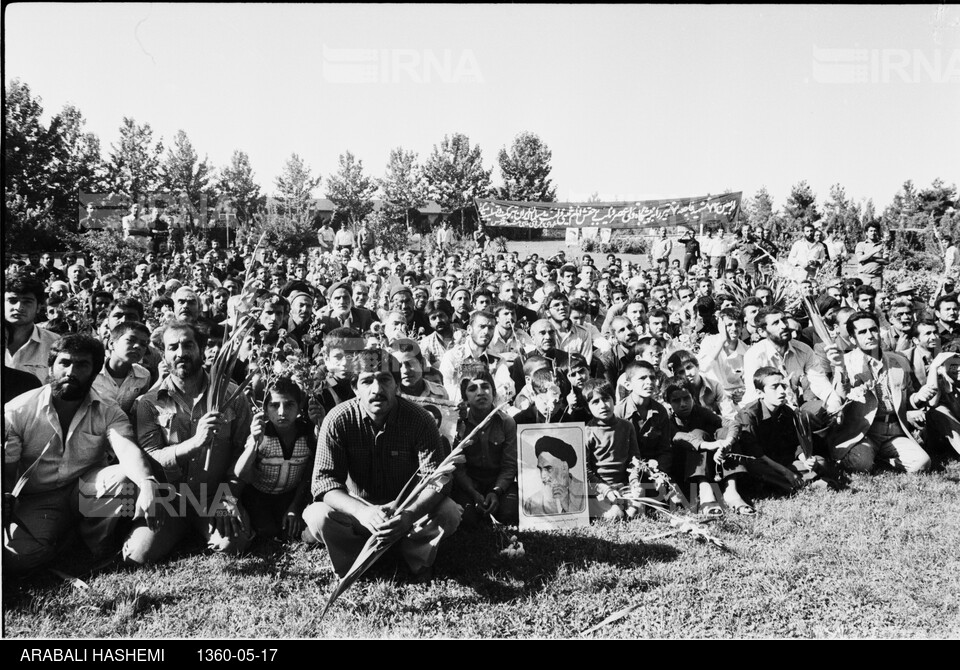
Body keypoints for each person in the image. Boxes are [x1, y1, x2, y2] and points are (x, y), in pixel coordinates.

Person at [4, 334, 162, 573]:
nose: (71, 371)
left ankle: (96, 544)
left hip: (85, 488)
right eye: (64, 363)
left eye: (82, 365)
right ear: (51, 367)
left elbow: (126, 448)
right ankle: (68, 538)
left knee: (125, 477)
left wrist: (147, 482)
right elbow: (7, 469)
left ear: (94, 371)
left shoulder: (109, 410)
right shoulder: (18, 410)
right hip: (38, 498)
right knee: (20, 557)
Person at [302, 348, 461, 581]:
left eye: (385, 379)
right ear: (355, 387)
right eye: (367, 381)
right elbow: (324, 483)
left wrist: (407, 515)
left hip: (405, 511)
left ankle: (414, 557)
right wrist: (362, 512)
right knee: (317, 515)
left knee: (449, 512)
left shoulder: (420, 420)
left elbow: (437, 480)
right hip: (358, 512)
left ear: (396, 385)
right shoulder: (337, 420)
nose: (377, 390)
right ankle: (354, 563)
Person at [124, 321, 255, 564]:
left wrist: (229, 496)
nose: (181, 353)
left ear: (202, 350)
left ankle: (203, 527)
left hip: (213, 496)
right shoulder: (149, 403)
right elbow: (151, 454)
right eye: (173, 347)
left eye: (188, 345)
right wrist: (195, 443)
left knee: (233, 545)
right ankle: (171, 529)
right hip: (170, 498)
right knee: (137, 556)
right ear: (163, 353)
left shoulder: (232, 396)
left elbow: (242, 450)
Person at [826, 311, 932, 474]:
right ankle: (870, 455)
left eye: (873, 329)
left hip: (895, 430)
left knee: (922, 464)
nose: (870, 335)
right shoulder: (845, 362)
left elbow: (908, 395)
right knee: (860, 464)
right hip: (863, 432)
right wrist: (840, 369)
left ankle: (884, 456)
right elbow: (839, 399)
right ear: (853, 339)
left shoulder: (899, 360)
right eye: (862, 332)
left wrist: (917, 398)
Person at [233, 377, 315, 542]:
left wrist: (295, 507)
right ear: (265, 408)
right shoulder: (262, 433)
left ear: (299, 407)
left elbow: (308, 474)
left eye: (289, 405)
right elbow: (240, 473)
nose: (282, 412)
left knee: (294, 531)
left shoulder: (307, 434)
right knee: (267, 531)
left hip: (289, 495)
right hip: (258, 495)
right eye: (274, 405)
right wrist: (254, 443)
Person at [738, 368, 835, 493]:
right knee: (756, 468)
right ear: (760, 393)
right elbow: (756, 454)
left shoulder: (786, 411)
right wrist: (787, 472)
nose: (782, 391)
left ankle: (793, 482)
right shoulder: (748, 415)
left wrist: (805, 459)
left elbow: (794, 444)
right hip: (761, 461)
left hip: (781, 460)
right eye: (774, 387)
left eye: (783, 386)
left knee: (820, 462)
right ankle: (799, 484)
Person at [451, 366, 519, 527]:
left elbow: (509, 466)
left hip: (497, 484)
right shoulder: (458, 424)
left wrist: (496, 491)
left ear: (494, 393)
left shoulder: (507, 422)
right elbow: (457, 468)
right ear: (465, 398)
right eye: (472, 389)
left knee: (508, 513)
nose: (480, 392)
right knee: (467, 518)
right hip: (469, 485)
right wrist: (474, 494)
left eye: (485, 387)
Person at [582, 379, 642, 521]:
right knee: (616, 515)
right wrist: (605, 489)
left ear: (614, 400)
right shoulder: (587, 432)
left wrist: (634, 482)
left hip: (623, 486)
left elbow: (634, 459)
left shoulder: (627, 427)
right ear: (587, 408)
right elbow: (585, 470)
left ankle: (625, 506)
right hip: (599, 489)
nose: (603, 405)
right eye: (595, 402)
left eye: (606, 399)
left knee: (636, 511)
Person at [5, 273, 61, 384]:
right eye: (12, 300)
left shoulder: (54, 343)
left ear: (39, 306)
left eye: (27, 302)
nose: (19, 307)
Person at [92, 321, 152, 417]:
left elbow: (139, 410)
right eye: (131, 340)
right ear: (111, 344)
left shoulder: (144, 376)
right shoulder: (92, 371)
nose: (137, 346)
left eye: (143, 344)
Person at [522, 435, 587, 516]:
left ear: (564, 467)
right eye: (540, 469)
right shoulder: (531, 503)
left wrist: (568, 506)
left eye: (548, 468)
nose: (543, 476)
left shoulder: (585, 492)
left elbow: (585, 521)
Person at [854, 221, 889, 290]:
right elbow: (860, 259)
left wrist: (872, 259)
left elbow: (886, 261)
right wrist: (875, 251)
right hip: (864, 277)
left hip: (877, 278)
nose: (873, 233)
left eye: (875, 231)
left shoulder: (882, 245)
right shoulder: (861, 245)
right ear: (866, 233)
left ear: (878, 232)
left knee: (877, 298)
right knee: (863, 296)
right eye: (871, 231)